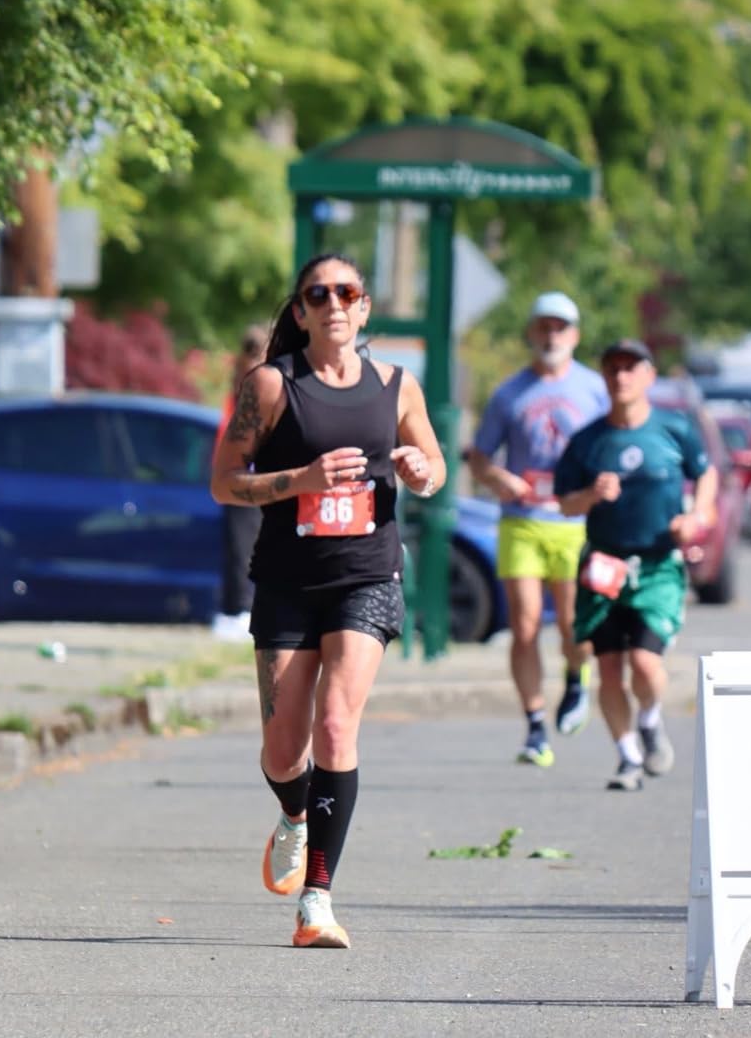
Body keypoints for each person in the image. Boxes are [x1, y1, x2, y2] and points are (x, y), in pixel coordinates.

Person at [210, 251, 445, 948]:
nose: (334, 303)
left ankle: (317, 899)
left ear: (364, 308)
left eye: (347, 292)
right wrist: (300, 479)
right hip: (287, 577)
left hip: (367, 575)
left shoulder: (398, 387)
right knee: (284, 752)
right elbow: (225, 482)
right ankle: (293, 812)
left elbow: (432, 471)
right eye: (320, 294)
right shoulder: (272, 386)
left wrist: (418, 467)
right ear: (302, 309)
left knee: (336, 728)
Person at [554, 339, 718, 792]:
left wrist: (697, 516)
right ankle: (627, 757)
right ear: (604, 378)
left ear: (648, 375)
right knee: (608, 669)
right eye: (613, 369)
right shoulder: (588, 441)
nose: (621, 376)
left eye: (631, 368)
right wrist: (589, 496)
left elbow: (706, 473)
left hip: (657, 565)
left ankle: (649, 719)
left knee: (645, 664)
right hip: (603, 567)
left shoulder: (673, 427)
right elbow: (564, 503)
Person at [466, 291, 608, 769]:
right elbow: (480, 455)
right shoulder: (510, 392)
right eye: (544, 327)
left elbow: (614, 445)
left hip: (576, 522)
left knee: (572, 624)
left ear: (575, 335)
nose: (552, 336)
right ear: (531, 332)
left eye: (561, 328)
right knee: (524, 625)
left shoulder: (594, 388)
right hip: (523, 521)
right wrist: (497, 477)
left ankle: (575, 678)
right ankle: (534, 725)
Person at [211, 325, 268, 640]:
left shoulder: (254, 389)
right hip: (243, 477)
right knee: (240, 547)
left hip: (255, 477)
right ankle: (237, 610)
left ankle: (243, 608)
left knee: (250, 547)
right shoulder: (243, 393)